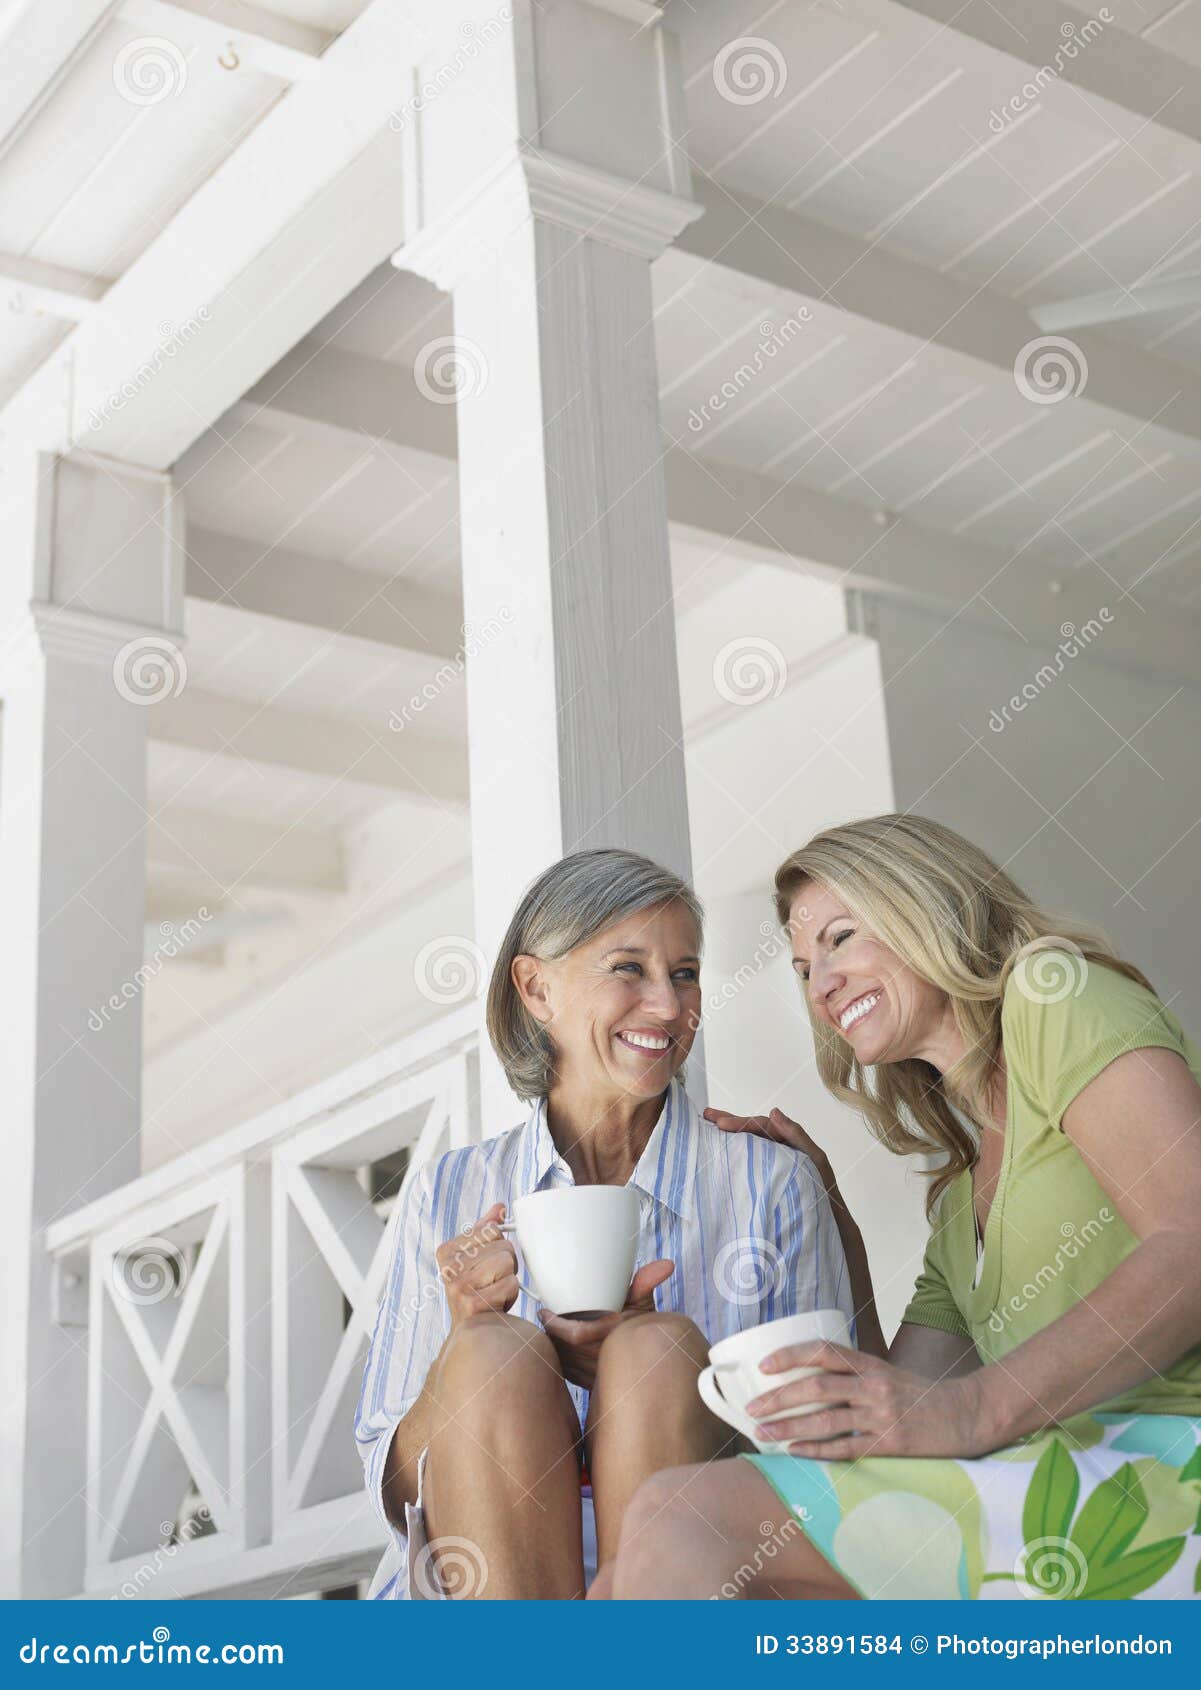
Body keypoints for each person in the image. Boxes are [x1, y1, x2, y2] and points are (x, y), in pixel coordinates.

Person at [598, 814, 1201, 1600]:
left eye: (841, 937)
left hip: (1165, 1471)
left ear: (929, 906)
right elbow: (896, 1410)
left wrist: (976, 1410)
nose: (821, 984)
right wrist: (829, 1213)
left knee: (686, 1519)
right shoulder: (959, 1211)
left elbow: (1190, 1238)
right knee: (628, 1570)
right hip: (1061, 1485)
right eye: (803, 967)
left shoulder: (1054, 993)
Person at [353, 847, 853, 1599]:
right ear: (536, 988)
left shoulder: (768, 1182)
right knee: (491, 1351)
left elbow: (829, 1461)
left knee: (657, 1351)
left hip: (705, 1587)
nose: (667, 1005)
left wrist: (682, 1392)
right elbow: (392, 1496)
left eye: (683, 973)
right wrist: (456, 1358)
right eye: (628, 968)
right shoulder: (450, 1191)